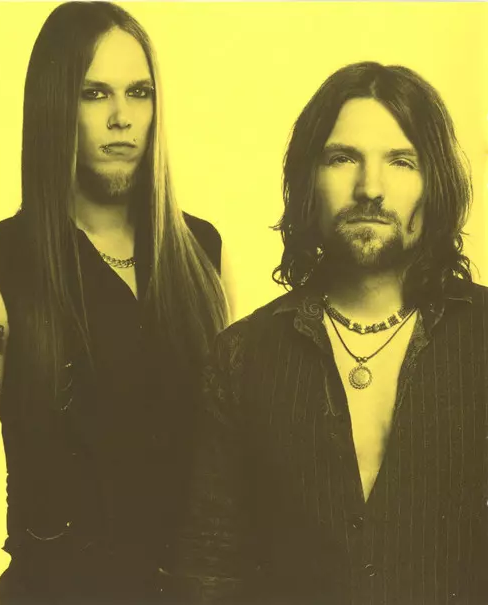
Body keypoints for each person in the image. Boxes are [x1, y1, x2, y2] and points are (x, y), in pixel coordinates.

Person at [0, 2, 232, 604]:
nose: (121, 117)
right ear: (55, 106)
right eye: (94, 93)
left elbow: (230, 459)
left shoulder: (202, 252)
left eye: (139, 92)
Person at [175, 62, 487, 605]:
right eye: (343, 158)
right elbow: (210, 572)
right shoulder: (242, 356)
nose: (370, 188)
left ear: (434, 184)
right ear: (307, 182)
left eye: (401, 161)